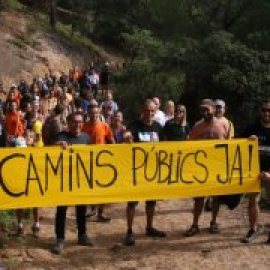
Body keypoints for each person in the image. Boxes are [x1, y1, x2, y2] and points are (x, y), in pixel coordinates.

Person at [184, 99, 230, 237]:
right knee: (199, 198)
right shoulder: (197, 126)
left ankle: (213, 222)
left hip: (217, 167)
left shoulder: (225, 124)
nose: (204, 112)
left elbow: (231, 144)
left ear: (214, 109)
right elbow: (189, 146)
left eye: (207, 109)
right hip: (201, 169)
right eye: (202, 110)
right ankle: (195, 224)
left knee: (216, 197)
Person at [124, 99, 167, 246]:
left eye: (152, 111)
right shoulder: (135, 126)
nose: (149, 113)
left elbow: (166, 146)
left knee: (151, 201)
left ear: (156, 111)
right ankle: (129, 232)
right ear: (142, 110)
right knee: (132, 203)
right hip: (136, 171)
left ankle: (149, 227)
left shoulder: (158, 127)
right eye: (147, 110)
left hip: (152, 171)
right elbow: (127, 133)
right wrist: (127, 137)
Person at [53, 112, 93, 255]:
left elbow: (92, 156)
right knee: (62, 209)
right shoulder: (62, 136)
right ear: (69, 123)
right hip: (64, 180)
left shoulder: (86, 138)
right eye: (75, 122)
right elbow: (52, 149)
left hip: (81, 179)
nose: (78, 125)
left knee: (82, 208)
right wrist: (59, 144)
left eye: (80, 122)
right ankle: (59, 239)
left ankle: (82, 235)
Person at [242, 99, 270, 243]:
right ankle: (253, 229)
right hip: (254, 172)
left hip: (269, 172)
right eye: (264, 110)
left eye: (269, 110)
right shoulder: (251, 128)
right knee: (253, 201)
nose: (266, 113)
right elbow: (238, 149)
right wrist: (248, 141)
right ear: (260, 111)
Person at [82, 105, 115, 222]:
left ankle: (101, 213)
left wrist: (114, 153)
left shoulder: (104, 126)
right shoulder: (83, 127)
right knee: (89, 186)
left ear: (99, 113)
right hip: (87, 162)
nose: (94, 115)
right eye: (91, 113)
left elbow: (111, 140)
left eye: (96, 113)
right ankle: (92, 209)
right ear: (88, 113)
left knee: (103, 188)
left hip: (102, 162)